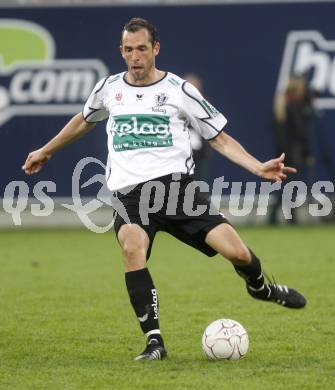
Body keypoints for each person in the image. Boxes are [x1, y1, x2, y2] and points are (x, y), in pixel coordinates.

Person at [23, 17, 306, 361]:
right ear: (121, 51)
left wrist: (256, 165)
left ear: (155, 49)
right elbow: (84, 119)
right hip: (130, 196)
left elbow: (219, 138)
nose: (135, 56)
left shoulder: (179, 90)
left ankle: (261, 288)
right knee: (132, 249)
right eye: (128, 50)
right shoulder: (109, 88)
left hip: (178, 191)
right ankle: (154, 341)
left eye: (142, 48)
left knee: (238, 254)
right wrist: (47, 149)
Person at [270, 75, 316, 224]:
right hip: (293, 152)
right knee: (292, 187)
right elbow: (300, 131)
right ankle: (291, 217)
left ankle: (273, 218)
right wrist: (307, 152)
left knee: (283, 186)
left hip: (283, 153)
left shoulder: (282, 103)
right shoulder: (295, 104)